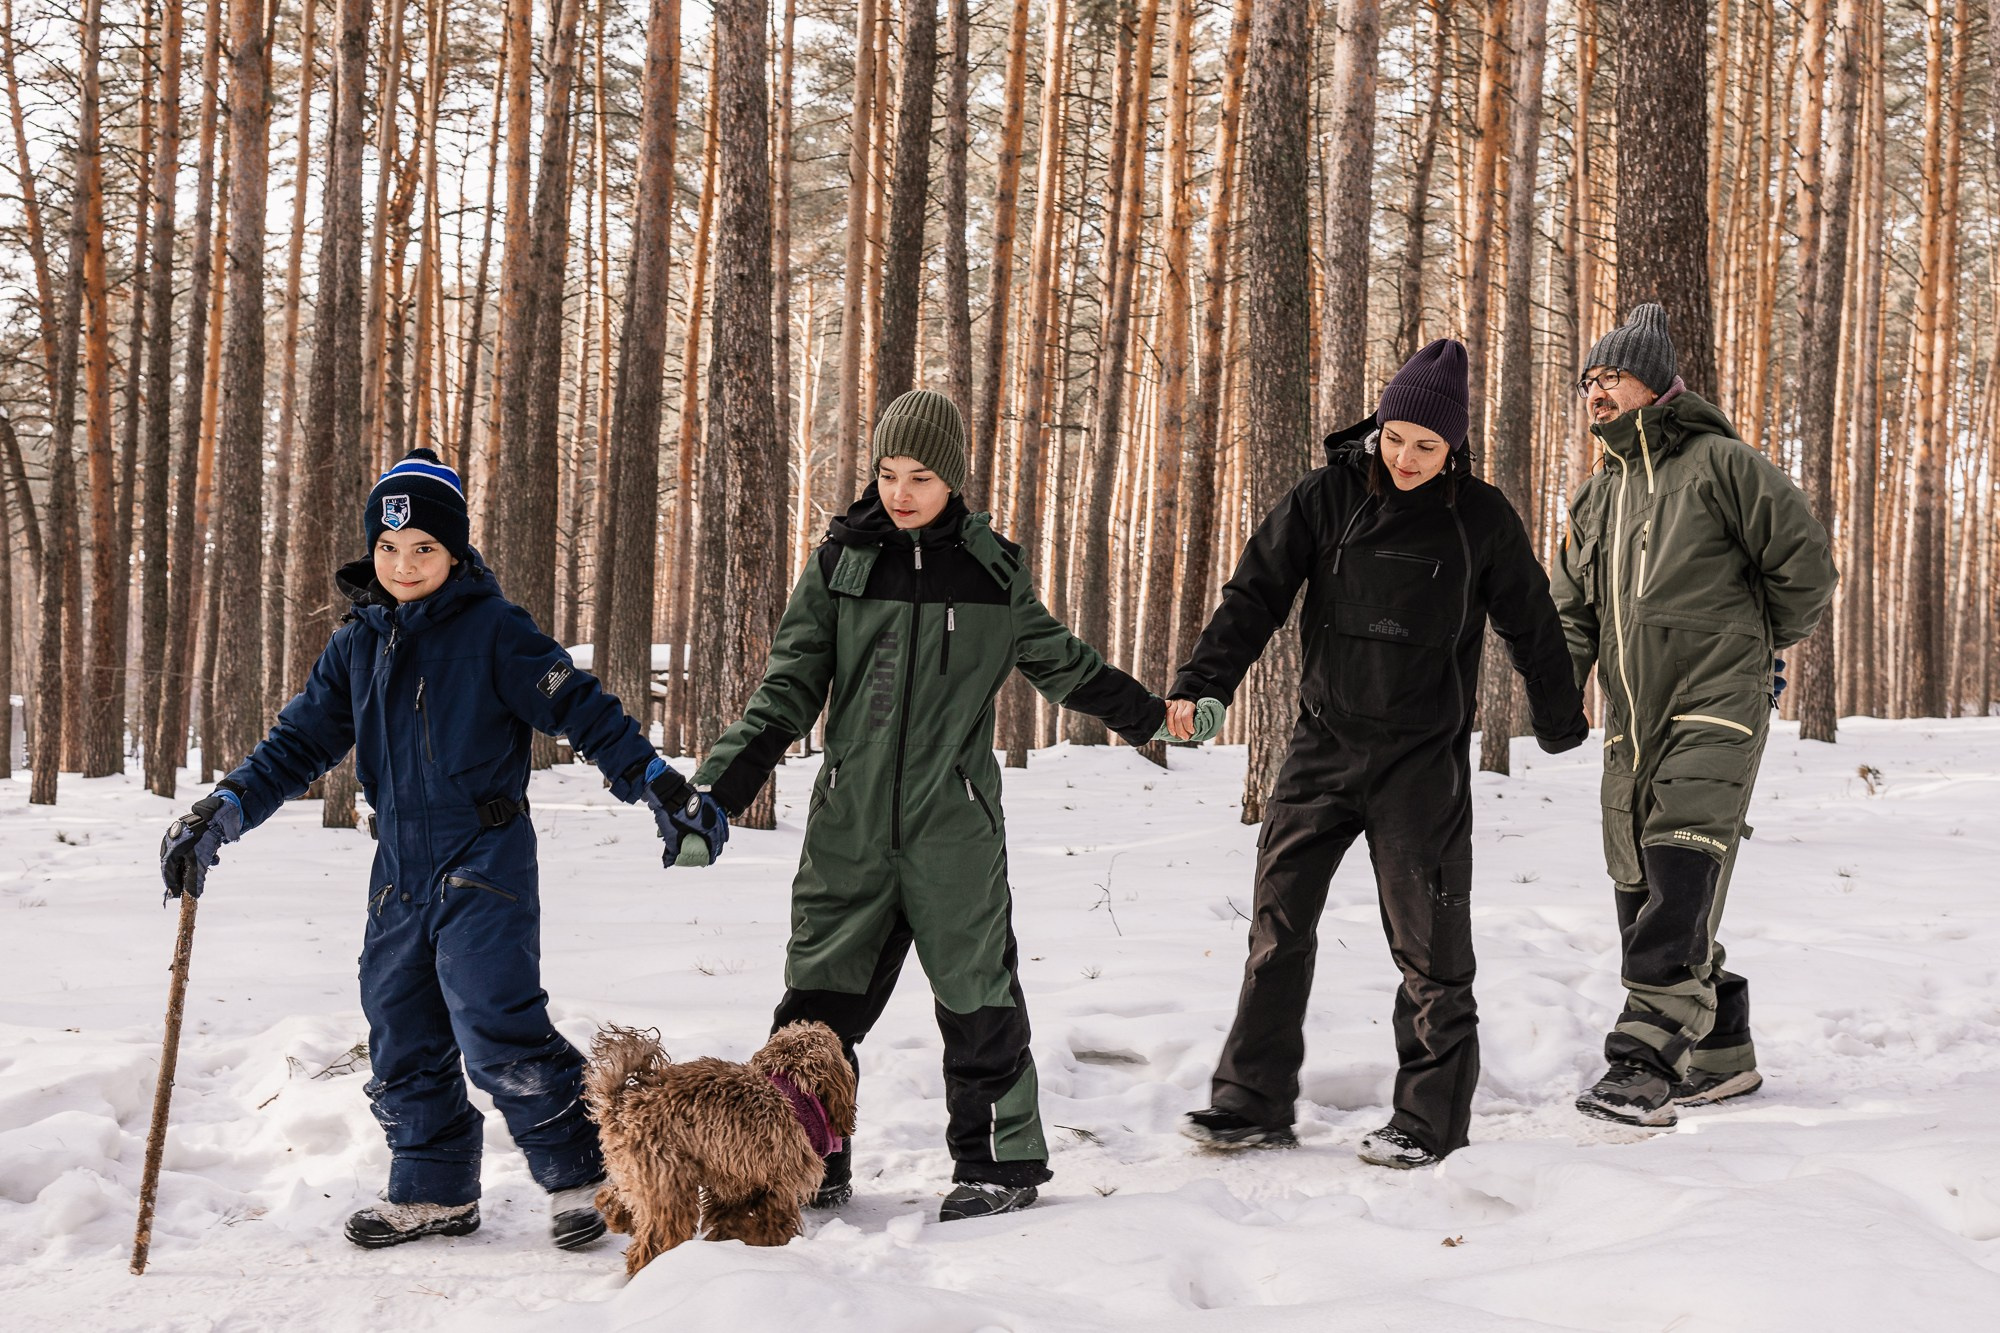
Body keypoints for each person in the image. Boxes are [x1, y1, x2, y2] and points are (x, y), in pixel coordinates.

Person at [157, 448, 727, 1250]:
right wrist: (221, 810)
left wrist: (660, 785)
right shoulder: (357, 644)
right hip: (399, 870)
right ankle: (433, 1188)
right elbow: (293, 746)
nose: (403, 563)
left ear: (454, 552)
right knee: (399, 1025)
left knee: (496, 1023)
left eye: (423, 547)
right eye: (388, 548)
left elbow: (588, 714)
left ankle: (580, 1175)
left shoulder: (497, 631)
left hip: (484, 858)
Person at [691, 389, 1210, 1221]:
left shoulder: (992, 573)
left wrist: (1158, 717)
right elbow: (784, 693)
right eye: (887, 473)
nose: (900, 493)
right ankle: (811, 1157)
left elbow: (1067, 668)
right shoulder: (839, 566)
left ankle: (998, 1165)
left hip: (953, 830)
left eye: (920, 476)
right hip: (848, 827)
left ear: (954, 479)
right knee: (816, 1003)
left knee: (979, 999)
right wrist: (715, 795)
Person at [1172, 339, 1589, 1169]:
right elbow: (1254, 592)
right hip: (1321, 751)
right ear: (1380, 423)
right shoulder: (1324, 498)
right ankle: (1249, 1100)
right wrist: (1202, 682)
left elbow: (1532, 620)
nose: (1405, 457)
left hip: (1420, 766)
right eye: (1396, 437)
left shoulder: (1481, 519)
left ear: (1454, 449)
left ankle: (1429, 1120)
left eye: (1427, 447)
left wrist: (1558, 716)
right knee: (1276, 930)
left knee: (1432, 950)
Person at [1555, 304, 1835, 1127]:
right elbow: (1572, 610)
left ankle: (1643, 1062)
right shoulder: (1596, 496)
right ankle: (1723, 1053)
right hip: (1630, 721)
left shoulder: (1723, 465)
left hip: (1717, 705)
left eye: (1611, 377)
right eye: (1588, 382)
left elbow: (1805, 566)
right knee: (1638, 885)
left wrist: (1755, 647)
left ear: (1655, 382)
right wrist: (1559, 688)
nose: (1595, 394)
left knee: (1681, 869)